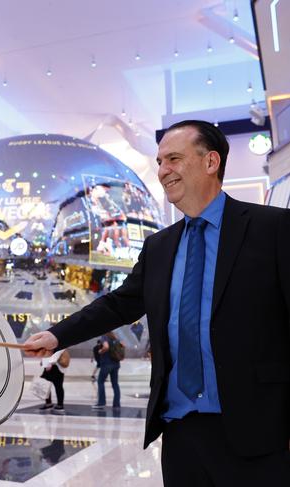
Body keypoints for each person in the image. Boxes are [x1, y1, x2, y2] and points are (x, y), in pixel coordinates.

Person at [25, 120, 290, 486]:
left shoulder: (272, 228)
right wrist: (56, 336)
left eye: (174, 159)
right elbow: (118, 305)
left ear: (211, 162)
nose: (163, 171)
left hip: (257, 436)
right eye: (161, 160)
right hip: (181, 436)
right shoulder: (159, 247)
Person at [92, 331, 121, 409]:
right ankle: (116, 404)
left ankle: (101, 402)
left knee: (100, 381)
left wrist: (100, 351)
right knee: (115, 384)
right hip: (116, 364)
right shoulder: (115, 337)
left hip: (106, 363)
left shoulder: (104, 337)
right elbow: (122, 346)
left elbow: (106, 346)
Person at [38, 349, 69, 413]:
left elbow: (65, 362)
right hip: (48, 370)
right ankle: (48, 403)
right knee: (45, 386)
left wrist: (53, 362)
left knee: (58, 387)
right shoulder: (49, 349)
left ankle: (60, 404)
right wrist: (44, 361)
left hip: (57, 370)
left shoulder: (62, 350)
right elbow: (44, 359)